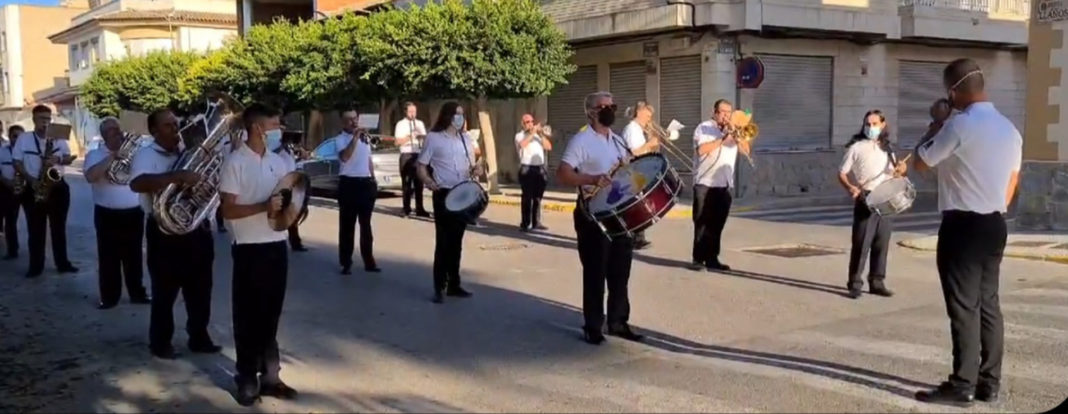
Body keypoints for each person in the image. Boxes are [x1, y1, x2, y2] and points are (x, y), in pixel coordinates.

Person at [912, 58, 1021, 407]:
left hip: (964, 225)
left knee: (963, 307)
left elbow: (921, 162)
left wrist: (936, 125)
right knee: (989, 304)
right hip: (995, 223)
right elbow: (1013, 181)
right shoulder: (1009, 128)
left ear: (953, 91)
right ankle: (989, 381)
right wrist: (993, 206)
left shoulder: (958, 126)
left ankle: (962, 384)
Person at [219, 103, 298, 406]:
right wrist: (262, 207)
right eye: (275, 125)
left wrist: (295, 210)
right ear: (257, 129)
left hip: (276, 246)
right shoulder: (235, 162)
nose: (279, 130)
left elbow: (288, 200)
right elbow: (227, 209)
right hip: (249, 250)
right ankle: (246, 377)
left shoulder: (279, 162)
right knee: (248, 317)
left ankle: (271, 377)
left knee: (271, 315)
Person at [129, 109, 221, 360]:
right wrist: (177, 176)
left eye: (175, 124)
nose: (175, 129)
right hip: (164, 231)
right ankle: (160, 342)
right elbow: (137, 183)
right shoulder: (145, 154)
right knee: (165, 292)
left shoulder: (188, 149)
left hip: (197, 229)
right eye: (168, 125)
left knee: (201, 289)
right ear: (154, 131)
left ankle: (199, 337)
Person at [556, 91, 643, 345]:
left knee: (620, 271)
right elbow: (563, 174)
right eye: (603, 106)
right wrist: (591, 179)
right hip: (592, 214)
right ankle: (593, 325)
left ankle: (617, 322)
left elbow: (629, 171)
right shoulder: (581, 140)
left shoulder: (617, 141)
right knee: (595, 272)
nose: (609, 109)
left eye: (612, 105)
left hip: (619, 214)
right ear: (591, 111)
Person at [82, 117, 151, 309]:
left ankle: (137, 293)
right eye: (112, 131)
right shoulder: (95, 155)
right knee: (108, 258)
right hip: (107, 214)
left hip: (133, 212)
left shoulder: (135, 153)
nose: (118, 134)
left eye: (118, 129)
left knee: (134, 256)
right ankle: (110, 297)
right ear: (104, 136)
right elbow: (90, 176)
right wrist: (113, 156)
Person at [837, 110, 906, 299]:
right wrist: (851, 187)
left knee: (881, 242)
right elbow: (842, 173)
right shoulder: (856, 147)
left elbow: (897, 173)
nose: (871, 127)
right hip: (866, 197)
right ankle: (855, 283)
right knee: (861, 242)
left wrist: (901, 170)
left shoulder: (888, 149)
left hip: (886, 198)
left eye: (875, 124)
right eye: (868, 124)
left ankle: (877, 281)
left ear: (883, 125)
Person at [417, 102, 480, 303]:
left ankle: (454, 283)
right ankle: (439, 286)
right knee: (443, 242)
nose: (460, 118)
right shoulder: (434, 138)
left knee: (457, 242)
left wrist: (478, 169)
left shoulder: (466, 139)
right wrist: (428, 181)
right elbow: (421, 166)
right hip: (444, 194)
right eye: (457, 114)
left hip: (463, 193)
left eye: (462, 114)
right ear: (448, 116)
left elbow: (475, 164)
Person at [12, 105, 78, 277]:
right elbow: (17, 162)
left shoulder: (58, 137)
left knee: (59, 229)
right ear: (34, 120)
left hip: (57, 188)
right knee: (35, 230)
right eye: (42, 119)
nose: (46, 122)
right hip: (33, 186)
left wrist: (58, 158)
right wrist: (30, 179)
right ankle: (36, 266)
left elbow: (69, 158)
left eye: (48, 119)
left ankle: (62, 263)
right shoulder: (24, 139)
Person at [690, 99, 749, 272]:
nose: (726, 116)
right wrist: (723, 138)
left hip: (724, 184)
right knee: (702, 223)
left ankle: (712, 258)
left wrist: (739, 138)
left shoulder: (735, 131)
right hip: (705, 183)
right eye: (723, 112)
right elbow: (701, 150)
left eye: (729, 112)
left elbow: (746, 152)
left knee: (717, 224)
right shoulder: (704, 128)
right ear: (715, 112)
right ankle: (698, 259)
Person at [334, 109, 380, 275]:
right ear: (343, 122)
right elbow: (345, 157)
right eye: (349, 120)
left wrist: (373, 179)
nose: (354, 122)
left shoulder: (365, 139)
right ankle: (345, 262)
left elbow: (368, 159)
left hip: (365, 184)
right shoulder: (340, 139)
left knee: (366, 225)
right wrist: (354, 137)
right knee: (347, 226)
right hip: (349, 184)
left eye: (355, 119)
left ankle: (369, 261)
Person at [620, 101, 658, 250]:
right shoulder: (632, 129)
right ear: (640, 113)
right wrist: (650, 143)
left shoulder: (638, 129)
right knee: (635, 206)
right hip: (632, 171)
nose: (650, 119)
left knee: (638, 205)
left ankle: (637, 237)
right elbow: (635, 152)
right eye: (648, 116)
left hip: (639, 171)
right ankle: (635, 238)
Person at [515, 114, 551, 231]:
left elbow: (548, 147)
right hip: (526, 168)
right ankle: (525, 223)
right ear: (522, 124)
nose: (530, 124)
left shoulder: (538, 136)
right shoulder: (519, 136)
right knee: (527, 197)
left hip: (540, 168)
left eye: (531, 121)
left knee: (538, 197)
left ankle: (537, 222)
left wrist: (540, 134)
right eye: (527, 122)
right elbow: (523, 145)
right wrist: (532, 133)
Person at [394, 102, 431, 218]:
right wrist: (410, 136)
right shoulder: (401, 124)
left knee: (419, 183)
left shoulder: (419, 123)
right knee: (407, 183)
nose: (412, 114)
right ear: (406, 112)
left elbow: (425, 138)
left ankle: (420, 208)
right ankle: (406, 208)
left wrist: (422, 137)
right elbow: (397, 142)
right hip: (406, 154)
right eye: (410, 112)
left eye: (414, 112)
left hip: (418, 154)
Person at [276, 132, 308, 252]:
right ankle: (288, 240)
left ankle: (295, 242)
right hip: (283, 186)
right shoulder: (279, 151)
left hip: (291, 185)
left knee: (293, 215)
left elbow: (292, 164)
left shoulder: (289, 152)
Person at [0, 125, 24, 260]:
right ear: (9, 137)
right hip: (7, 189)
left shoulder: (28, 152)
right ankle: (12, 250)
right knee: (10, 222)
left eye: (21, 136)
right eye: (15, 136)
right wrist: (7, 183)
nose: (18, 139)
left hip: (26, 189)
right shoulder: (2, 151)